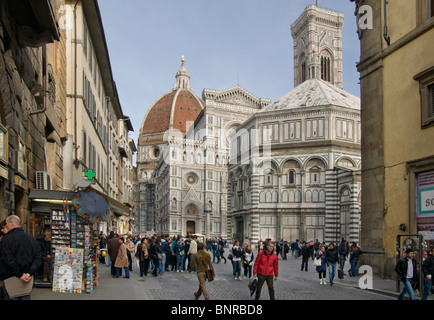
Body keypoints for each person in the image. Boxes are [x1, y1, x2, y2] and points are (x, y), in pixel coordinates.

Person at [0, 215, 42, 300]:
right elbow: (38, 258)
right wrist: (29, 273)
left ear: (12, 224)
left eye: (6, 223)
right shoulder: (32, 239)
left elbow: (8, 259)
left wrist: (19, 274)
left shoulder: (6, 239)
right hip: (27, 280)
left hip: (10, 279)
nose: (5, 226)